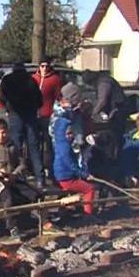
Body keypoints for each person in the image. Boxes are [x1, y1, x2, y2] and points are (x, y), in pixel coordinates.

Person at [0, 119, 40, 239]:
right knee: (8, 198)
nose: (1, 135)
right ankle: (12, 227)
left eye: (4, 132)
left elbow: (22, 163)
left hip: (14, 177)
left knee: (34, 194)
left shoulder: (13, 146)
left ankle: (27, 220)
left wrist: (14, 174)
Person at [0, 63, 44, 187]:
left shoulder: (7, 80)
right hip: (30, 115)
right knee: (33, 147)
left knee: (15, 147)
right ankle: (39, 178)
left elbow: (1, 96)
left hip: (15, 114)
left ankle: (16, 176)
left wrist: (8, 106)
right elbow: (40, 99)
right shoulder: (31, 81)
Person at [51, 89, 95, 217]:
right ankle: (88, 215)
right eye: (69, 134)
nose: (71, 136)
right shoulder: (64, 146)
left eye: (71, 133)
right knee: (89, 189)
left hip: (65, 175)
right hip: (65, 177)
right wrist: (84, 174)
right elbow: (70, 164)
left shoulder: (62, 143)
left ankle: (71, 211)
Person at [33, 58, 63, 172]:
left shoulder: (55, 79)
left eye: (46, 66)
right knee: (36, 144)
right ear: (39, 67)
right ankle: (37, 168)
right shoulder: (34, 78)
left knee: (49, 143)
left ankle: (51, 168)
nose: (44, 69)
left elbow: (58, 97)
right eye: (42, 66)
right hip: (35, 116)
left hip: (48, 115)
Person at [82, 70, 128, 136]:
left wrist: (93, 113)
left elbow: (102, 101)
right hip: (116, 108)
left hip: (118, 108)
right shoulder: (103, 80)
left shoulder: (103, 82)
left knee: (116, 132)